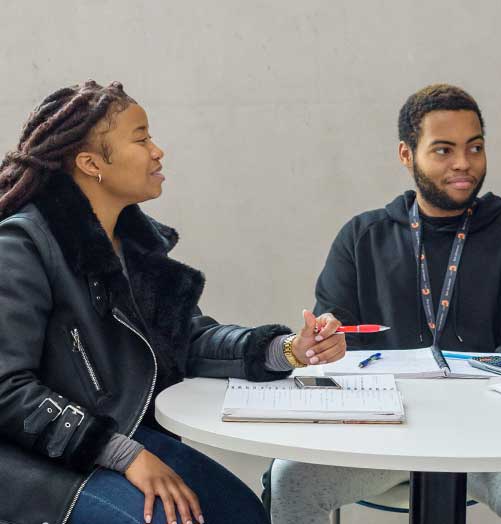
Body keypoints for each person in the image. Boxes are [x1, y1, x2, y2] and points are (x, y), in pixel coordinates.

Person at [0, 81, 347, 524]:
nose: (158, 151)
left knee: (244, 515)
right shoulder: (22, 246)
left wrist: (285, 350)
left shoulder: (134, 246)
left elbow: (187, 338)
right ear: (91, 164)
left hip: (120, 437)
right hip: (38, 466)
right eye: (141, 139)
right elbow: (7, 391)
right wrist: (123, 454)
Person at [266, 84, 501, 524]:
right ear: (407, 155)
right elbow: (337, 331)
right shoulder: (362, 236)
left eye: (474, 147)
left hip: (488, 437)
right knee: (289, 480)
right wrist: (328, 340)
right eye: (443, 150)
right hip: (382, 434)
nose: (463, 163)